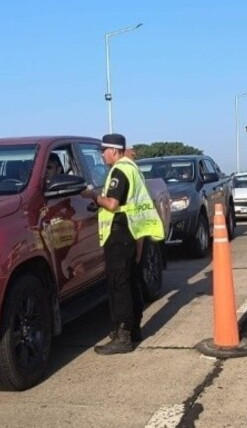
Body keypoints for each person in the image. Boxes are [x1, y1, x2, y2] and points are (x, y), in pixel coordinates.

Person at [81, 133, 165, 355]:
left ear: (114, 151)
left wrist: (92, 196)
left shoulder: (119, 171)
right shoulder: (132, 167)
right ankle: (134, 329)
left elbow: (112, 203)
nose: (101, 155)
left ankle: (123, 336)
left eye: (104, 150)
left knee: (119, 286)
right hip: (131, 232)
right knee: (131, 281)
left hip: (119, 234)